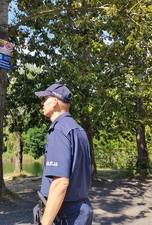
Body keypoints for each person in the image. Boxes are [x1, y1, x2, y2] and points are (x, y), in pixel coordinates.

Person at [34, 83, 93, 225]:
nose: (42, 103)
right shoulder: (78, 129)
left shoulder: (59, 130)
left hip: (66, 214)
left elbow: (60, 182)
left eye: (44, 99)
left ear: (54, 101)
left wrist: (45, 223)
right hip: (81, 209)